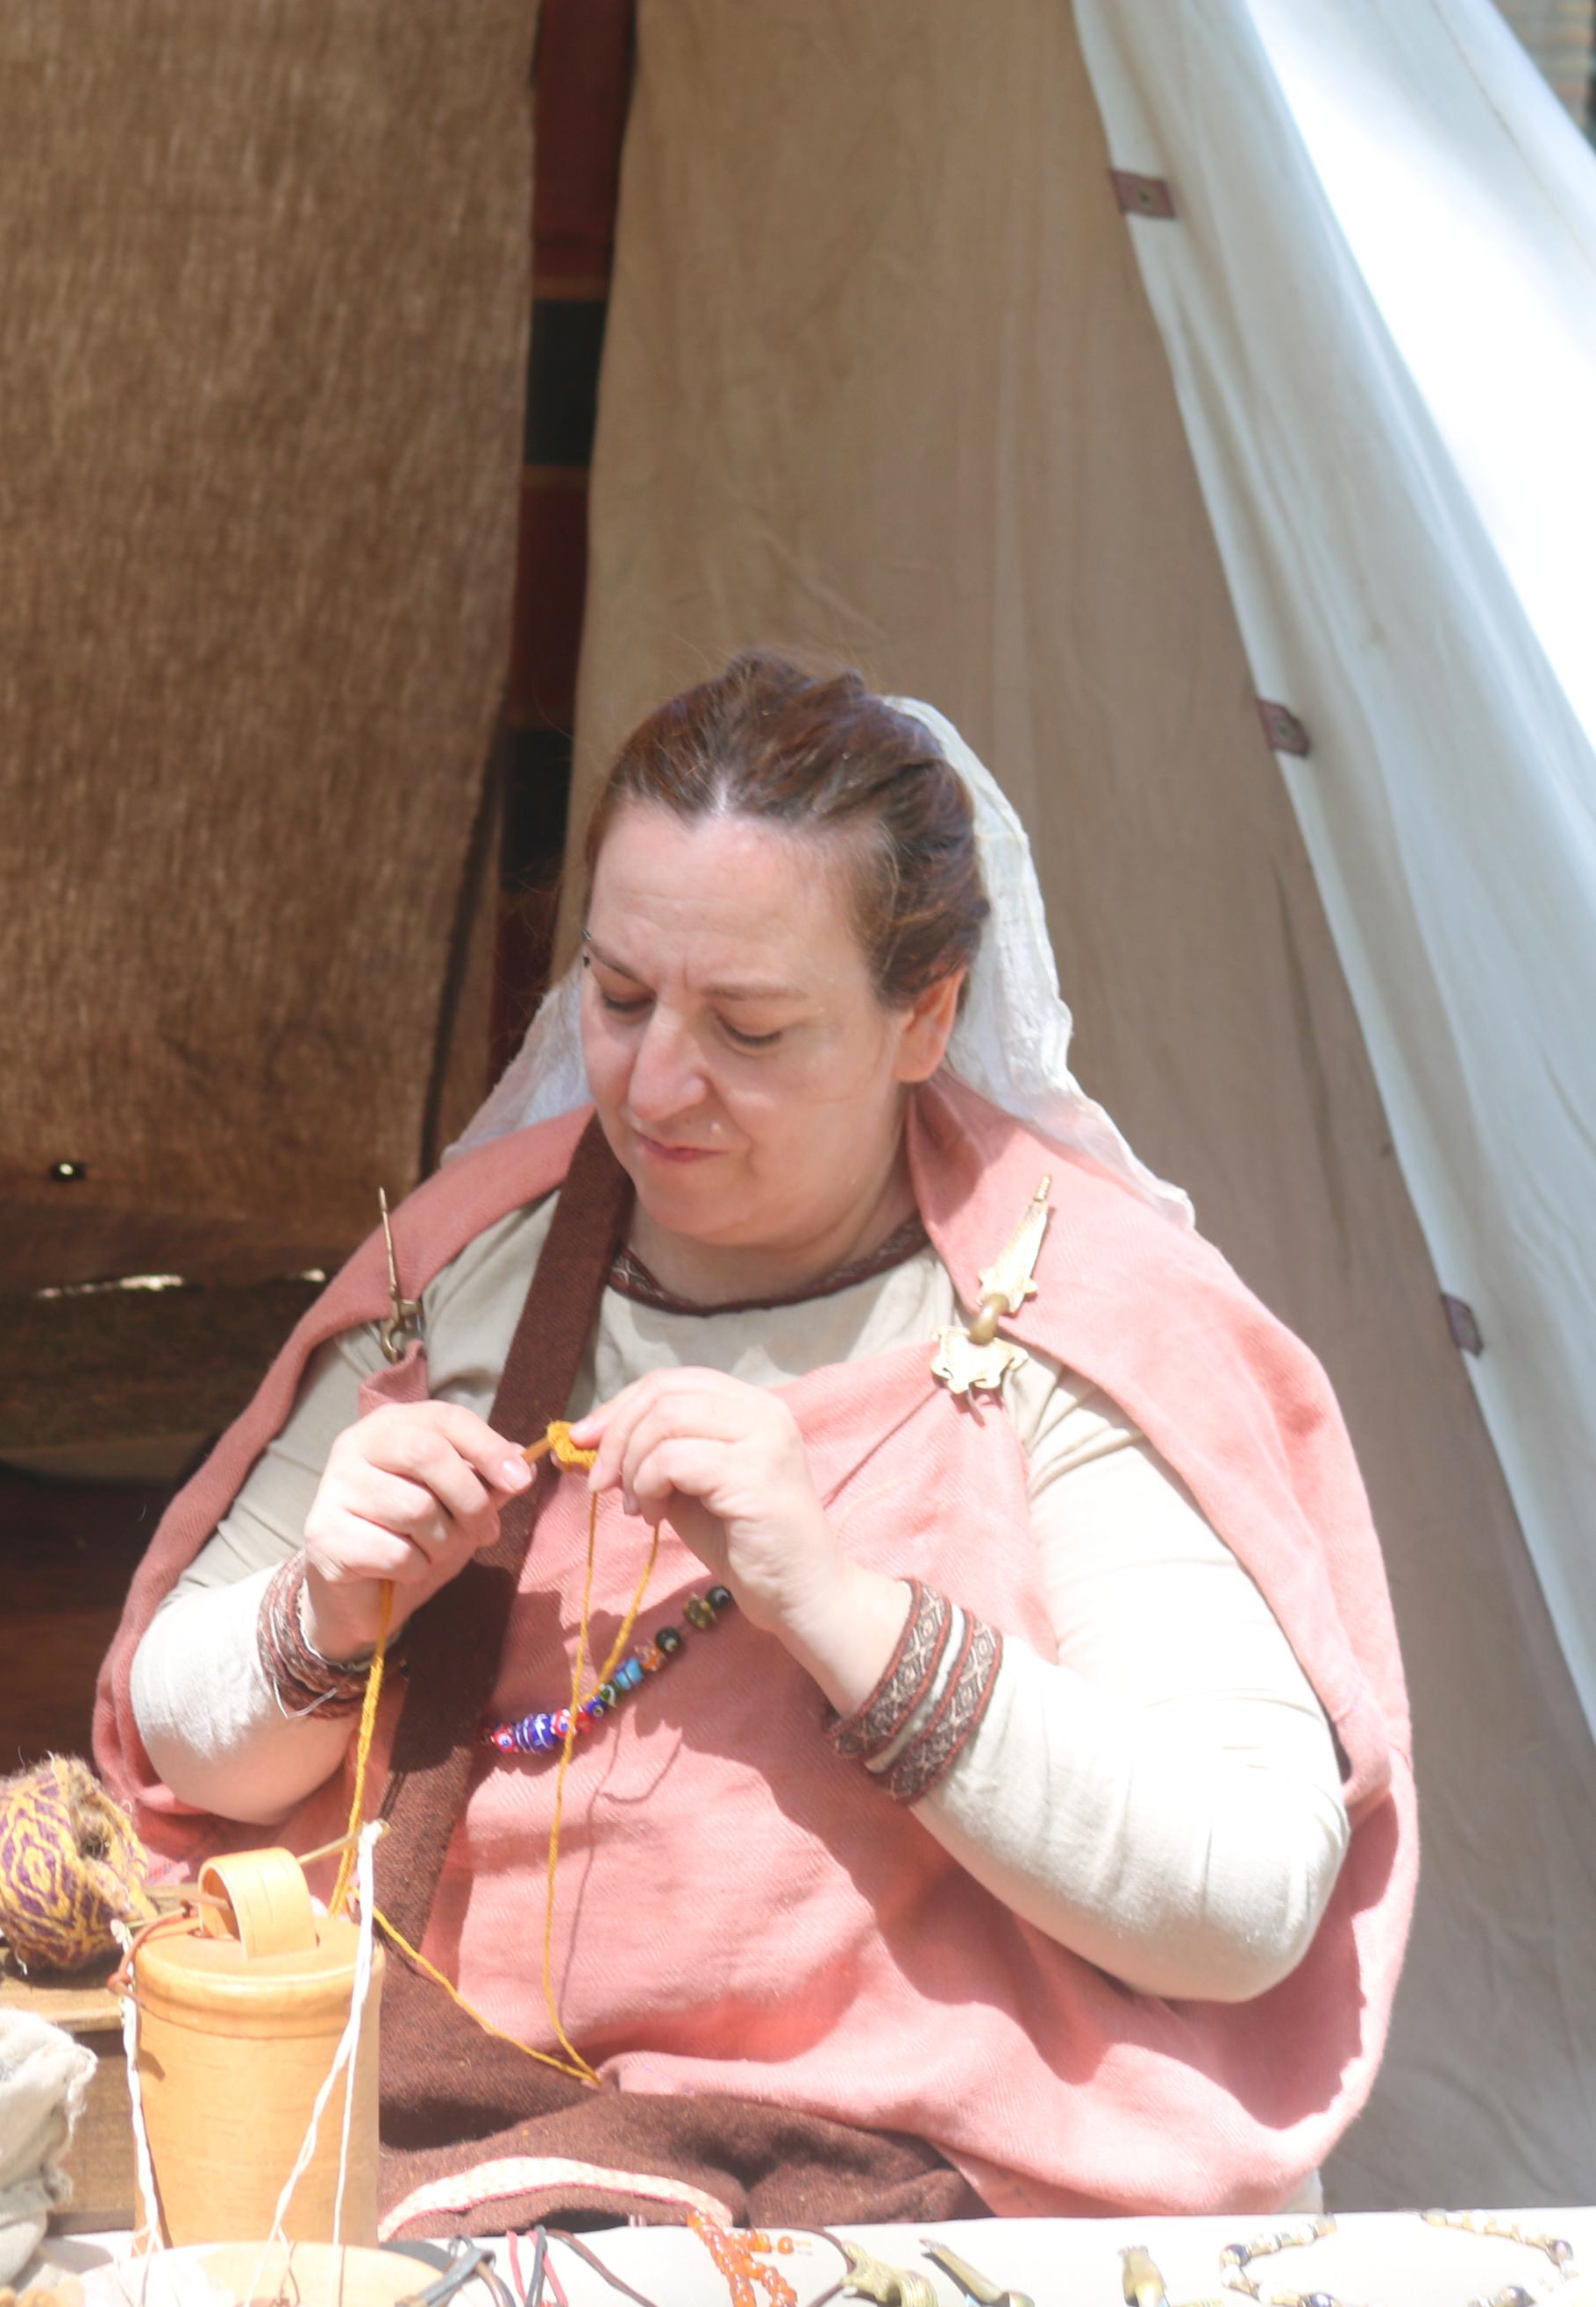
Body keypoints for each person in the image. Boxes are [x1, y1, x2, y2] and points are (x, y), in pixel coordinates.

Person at [96, 653, 1411, 2226]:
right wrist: (319, 1617)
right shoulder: (465, 1279)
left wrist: (845, 1611)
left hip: (934, 2186)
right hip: (433, 2129)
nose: (659, 1085)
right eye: (621, 996)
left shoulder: (1078, 1318)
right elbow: (185, 1752)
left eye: (753, 1027)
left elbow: (1248, 1897)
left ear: (927, 1016)